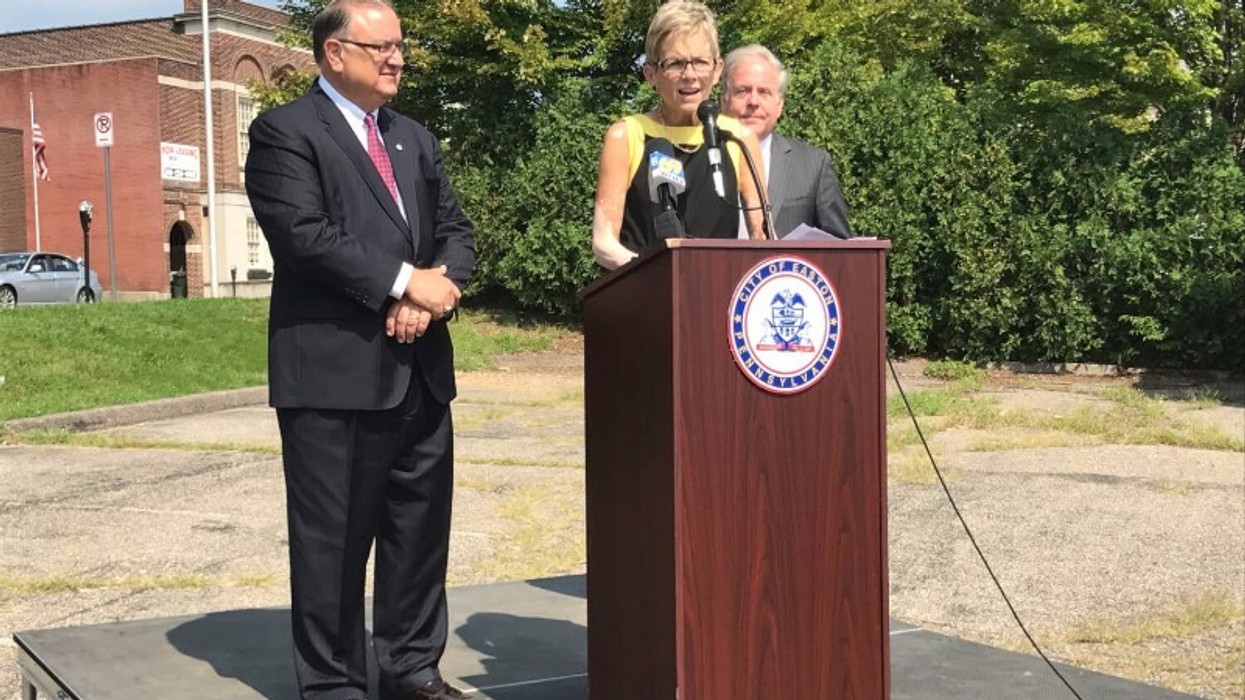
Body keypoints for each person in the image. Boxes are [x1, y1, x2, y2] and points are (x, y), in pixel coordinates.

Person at [243, 0, 474, 698]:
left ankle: (409, 668)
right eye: (380, 47)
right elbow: (305, 236)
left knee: (417, 535)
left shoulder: (414, 138)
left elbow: (455, 231)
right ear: (334, 53)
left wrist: (434, 292)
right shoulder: (284, 133)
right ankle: (335, 684)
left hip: (420, 375)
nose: (396, 58)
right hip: (334, 376)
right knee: (332, 544)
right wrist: (404, 286)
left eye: (401, 45)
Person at [591, 0, 767, 270]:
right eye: (674, 64)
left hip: (719, 295)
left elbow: (763, 236)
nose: (690, 75)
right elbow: (604, 243)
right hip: (648, 294)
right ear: (651, 74)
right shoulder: (627, 136)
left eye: (700, 62)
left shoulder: (738, 138)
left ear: (718, 70)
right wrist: (664, 273)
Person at [720, 44, 854, 239]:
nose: (753, 102)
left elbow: (840, 250)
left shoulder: (813, 166)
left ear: (780, 105)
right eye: (743, 91)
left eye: (764, 92)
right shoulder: (702, 159)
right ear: (724, 100)